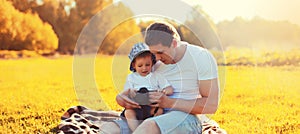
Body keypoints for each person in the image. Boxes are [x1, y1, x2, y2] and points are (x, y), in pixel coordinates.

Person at [100, 21, 221, 134]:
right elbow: (137, 84)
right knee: (107, 129)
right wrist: (121, 99)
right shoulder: (152, 61)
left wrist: (169, 103)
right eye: (153, 53)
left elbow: (211, 105)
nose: (156, 58)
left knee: (148, 127)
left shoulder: (200, 57)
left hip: (186, 117)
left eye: (160, 52)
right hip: (149, 114)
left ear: (174, 43)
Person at [120, 43, 174, 132]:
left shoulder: (156, 76)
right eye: (140, 66)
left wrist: (164, 91)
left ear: (152, 63)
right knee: (128, 113)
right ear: (134, 65)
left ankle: (150, 129)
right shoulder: (131, 78)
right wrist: (131, 92)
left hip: (152, 107)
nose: (144, 68)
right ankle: (137, 131)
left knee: (160, 111)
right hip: (137, 107)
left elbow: (169, 88)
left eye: (147, 65)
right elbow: (126, 92)